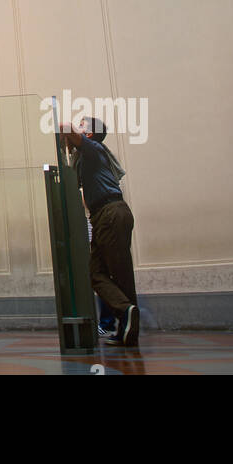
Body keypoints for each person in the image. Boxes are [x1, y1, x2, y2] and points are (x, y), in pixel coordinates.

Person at [60, 116, 139, 346]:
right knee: (100, 273)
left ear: (90, 134)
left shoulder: (93, 149)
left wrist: (67, 130)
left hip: (110, 213)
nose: (78, 125)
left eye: (83, 124)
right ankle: (127, 326)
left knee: (108, 274)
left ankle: (125, 314)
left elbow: (65, 126)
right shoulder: (87, 156)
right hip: (107, 215)